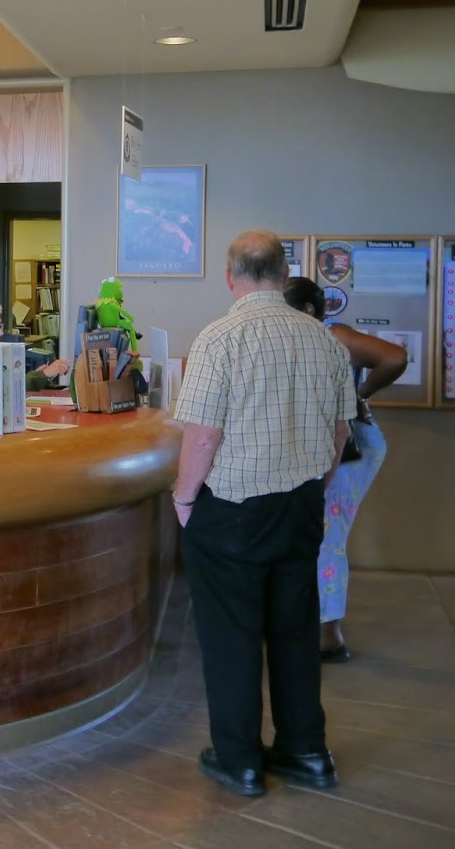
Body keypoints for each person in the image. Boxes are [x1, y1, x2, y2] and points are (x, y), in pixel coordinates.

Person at [172, 230, 356, 799]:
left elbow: (203, 435)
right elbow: (341, 431)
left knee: (231, 635)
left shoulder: (219, 338)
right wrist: (310, 487)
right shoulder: (324, 340)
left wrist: (183, 500)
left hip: (232, 511)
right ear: (282, 272)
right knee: (295, 629)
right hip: (300, 506)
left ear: (232, 276)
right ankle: (306, 752)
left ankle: (241, 760)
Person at [283, 277, 409, 662]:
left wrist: (359, 396)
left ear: (307, 310)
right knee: (318, 535)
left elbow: (395, 357)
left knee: (326, 537)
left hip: (352, 449)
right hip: (331, 449)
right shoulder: (302, 340)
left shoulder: (332, 334)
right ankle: (315, 624)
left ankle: (328, 637)